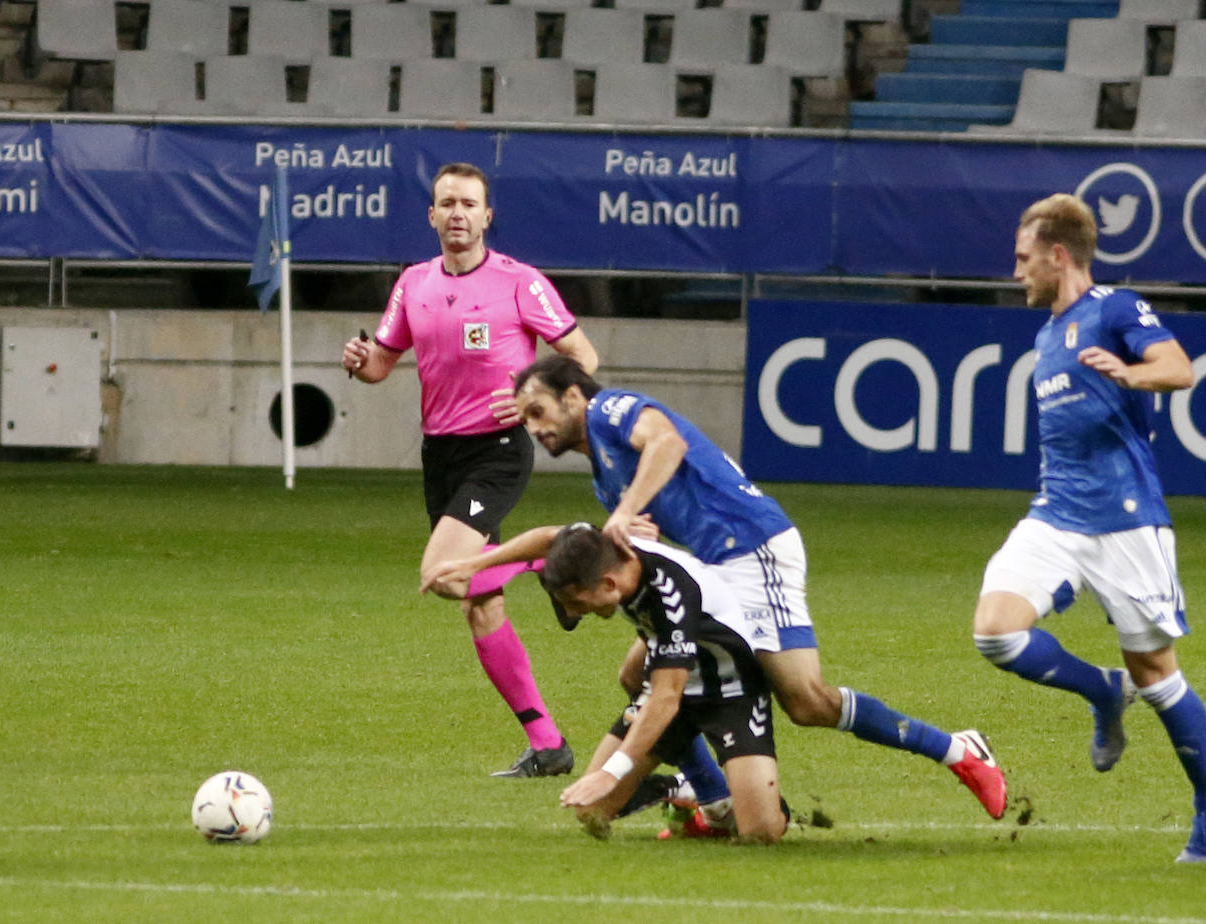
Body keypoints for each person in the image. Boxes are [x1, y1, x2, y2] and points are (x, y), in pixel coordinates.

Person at [425, 354, 1008, 822]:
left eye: (538, 412)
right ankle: (709, 794)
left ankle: (958, 750)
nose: (534, 427)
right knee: (636, 675)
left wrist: (629, 510)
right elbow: (568, 535)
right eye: (525, 420)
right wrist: (475, 564)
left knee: (806, 701)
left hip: (754, 551)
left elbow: (669, 442)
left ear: (573, 396)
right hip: (712, 571)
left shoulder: (611, 410)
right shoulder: (604, 467)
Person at [972, 193, 1206, 862]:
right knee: (995, 631)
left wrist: (1132, 372)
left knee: (1156, 671)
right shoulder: (1044, 334)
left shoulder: (1115, 309)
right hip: (1056, 514)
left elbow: (1180, 368)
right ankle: (1100, 691)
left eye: (1024, 259)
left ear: (1059, 256)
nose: (1015, 272)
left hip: (1124, 520)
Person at [342, 162, 599, 778]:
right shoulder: (413, 283)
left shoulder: (519, 282)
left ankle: (564, 555)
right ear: (431, 216)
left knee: (445, 574)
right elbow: (381, 365)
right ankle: (548, 745)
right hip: (441, 454)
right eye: (446, 203)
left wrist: (535, 400)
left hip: (499, 448)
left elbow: (581, 356)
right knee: (479, 604)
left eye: (469, 204)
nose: (457, 213)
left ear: (487, 217)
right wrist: (358, 361)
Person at [518, 522, 789, 844]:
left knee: (759, 832)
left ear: (607, 583)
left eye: (576, 602)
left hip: (731, 691)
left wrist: (612, 771)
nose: (574, 612)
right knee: (589, 808)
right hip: (673, 686)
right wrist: (472, 565)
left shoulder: (670, 595)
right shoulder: (608, 551)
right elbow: (549, 539)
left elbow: (665, 698)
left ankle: (744, 797)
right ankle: (683, 787)